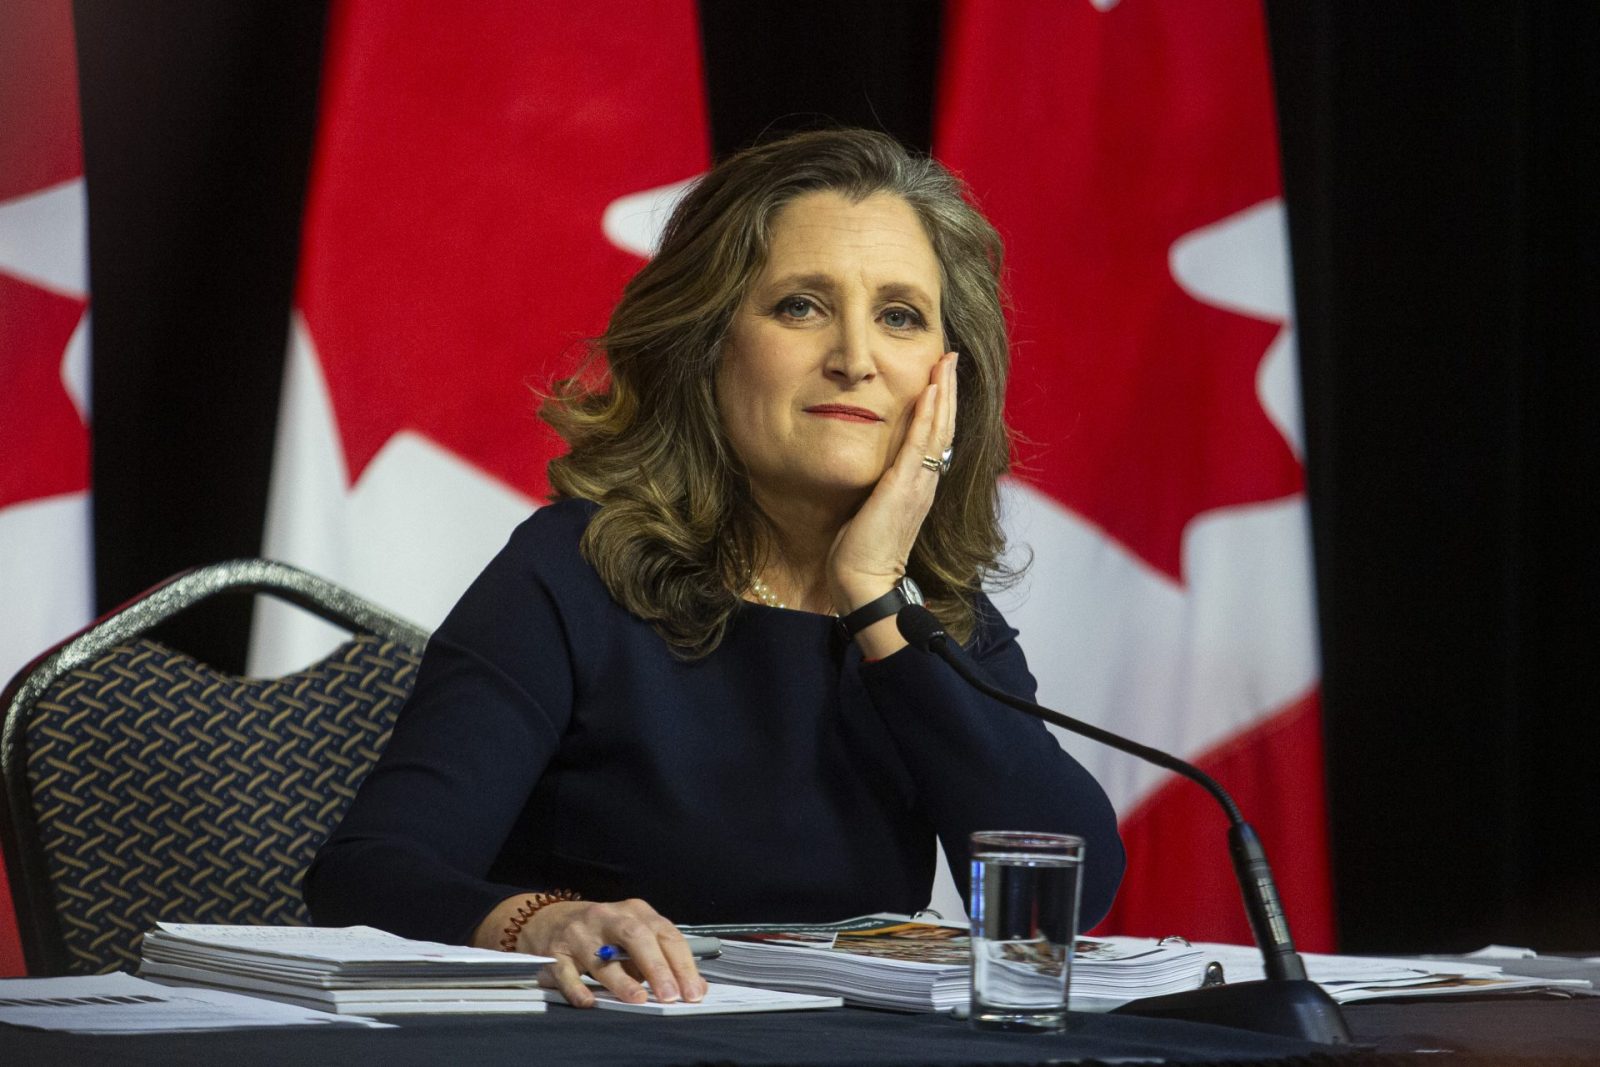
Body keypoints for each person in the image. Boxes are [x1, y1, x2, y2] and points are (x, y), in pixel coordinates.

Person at [304, 128, 1124, 1008]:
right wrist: (540, 922)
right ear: (708, 348)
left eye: (899, 316)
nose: (855, 356)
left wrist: (875, 598)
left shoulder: (923, 616)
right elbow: (367, 875)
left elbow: (1061, 900)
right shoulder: (577, 571)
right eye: (801, 306)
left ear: (945, 378)